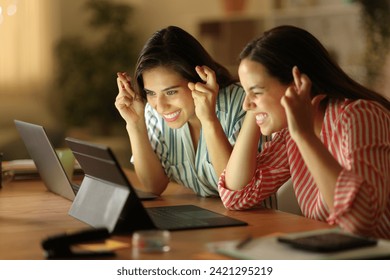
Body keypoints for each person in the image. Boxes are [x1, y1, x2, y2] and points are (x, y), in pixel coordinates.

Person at [218, 25, 390, 239]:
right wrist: (258, 103)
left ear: (298, 84)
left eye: (257, 91)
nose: (245, 105)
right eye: (245, 91)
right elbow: (236, 196)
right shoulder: (293, 130)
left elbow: (359, 224)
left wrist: (305, 136)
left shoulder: (359, 115)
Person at [115, 26, 261, 197]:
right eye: (151, 93)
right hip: (210, 213)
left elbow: (235, 190)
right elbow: (154, 186)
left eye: (171, 92)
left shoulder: (243, 103)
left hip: (260, 219)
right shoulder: (152, 110)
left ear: (200, 80)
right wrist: (135, 124)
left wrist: (209, 120)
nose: (160, 106)